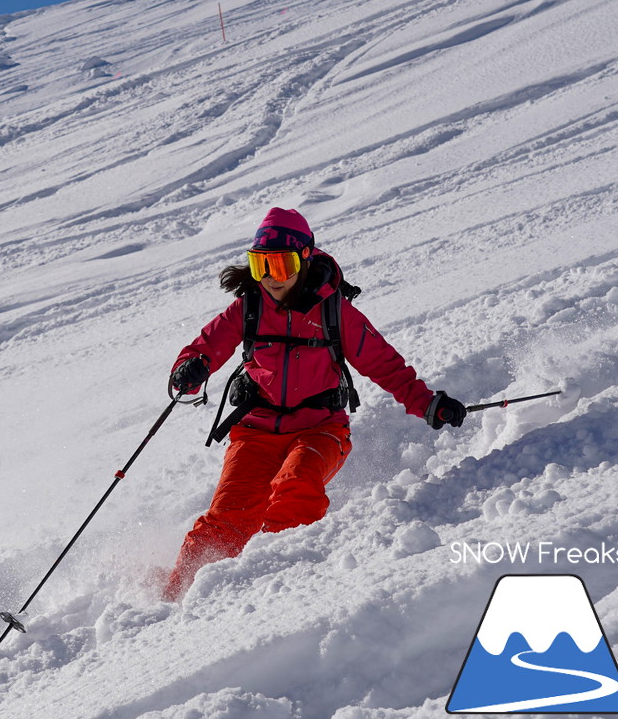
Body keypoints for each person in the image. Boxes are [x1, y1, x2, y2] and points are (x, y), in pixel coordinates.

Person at [162, 208, 466, 601]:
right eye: (261, 265)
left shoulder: (335, 311)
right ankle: (174, 601)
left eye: (281, 265)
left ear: (304, 260)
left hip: (319, 428)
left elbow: (383, 363)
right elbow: (204, 347)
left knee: (296, 487)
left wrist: (428, 403)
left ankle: (277, 591)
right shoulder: (248, 307)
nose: (271, 277)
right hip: (255, 432)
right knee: (227, 519)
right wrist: (189, 369)